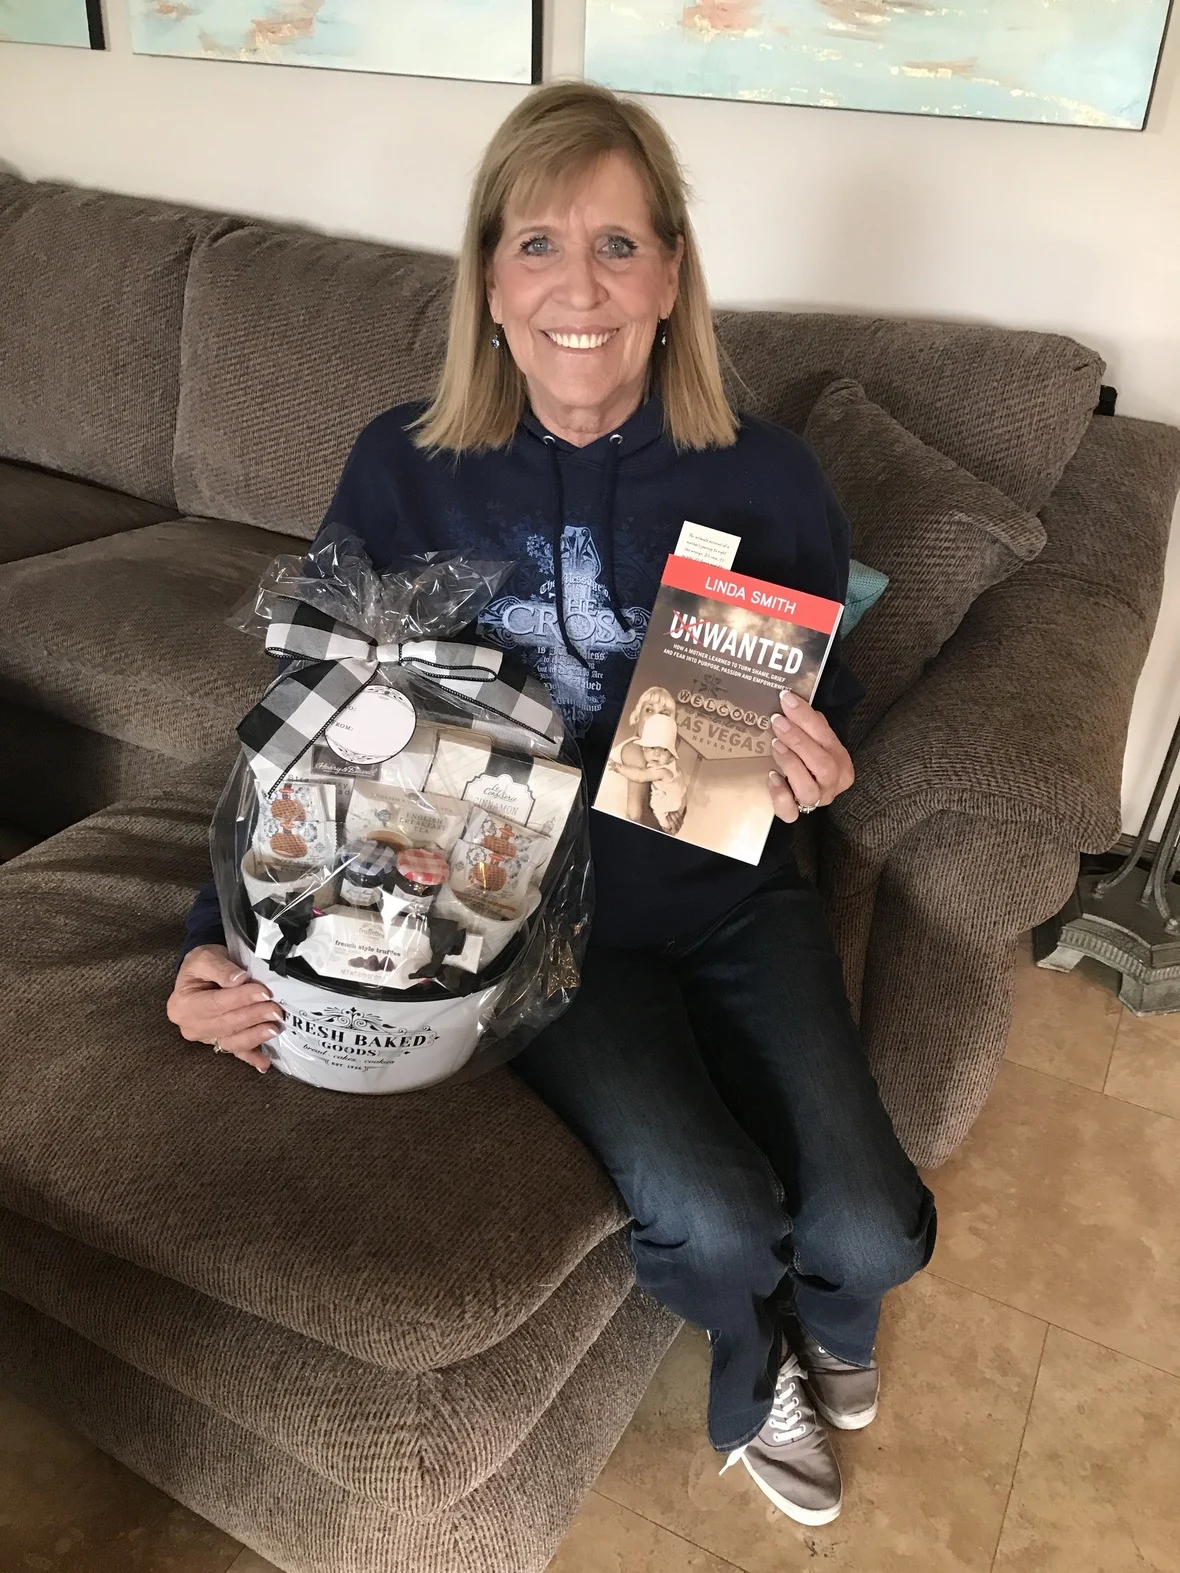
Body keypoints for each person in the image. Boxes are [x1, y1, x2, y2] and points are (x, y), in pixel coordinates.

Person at [167, 81, 935, 1527]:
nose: (578, 286)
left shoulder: (770, 477)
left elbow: (807, 707)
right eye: (537, 245)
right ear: (488, 280)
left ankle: (833, 1314)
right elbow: (322, 729)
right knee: (713, 1219)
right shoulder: (407, 463)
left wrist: (826, 763)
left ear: (670, 280)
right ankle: (746, 1355)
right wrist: (221, 934)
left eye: (619, 247)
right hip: (517, 920)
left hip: (726, 891)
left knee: (873, 1230)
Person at [610, 712, 687, 834]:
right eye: (652, 747)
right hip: (670, 814)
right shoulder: (636, 751)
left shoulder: (663, 771)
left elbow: (640, 776)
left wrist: (619, 768)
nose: (657, 753)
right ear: (644, 748)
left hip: (666, 814)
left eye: (664, 750)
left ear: (671, 754)